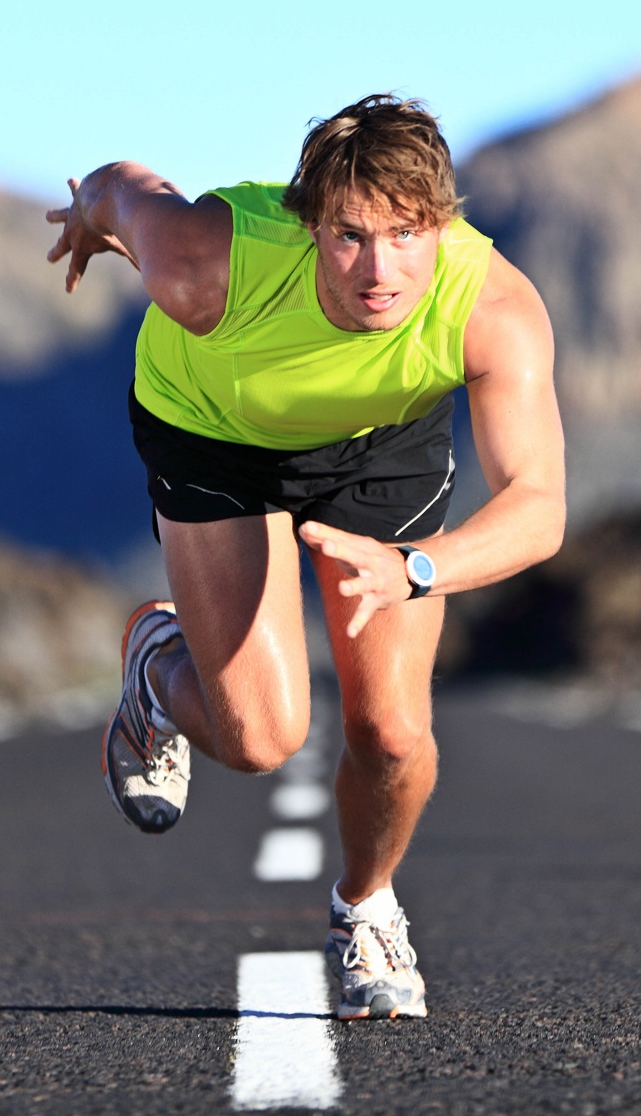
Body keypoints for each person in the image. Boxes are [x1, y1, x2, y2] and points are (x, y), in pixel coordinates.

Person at [46, 95, 565, 1021]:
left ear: (441, 227)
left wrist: (417, 569)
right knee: (259, 739)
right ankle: (160, 670)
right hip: (210, 431)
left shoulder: (491, 306)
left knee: (394, 733)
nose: (380, 270)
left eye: (406, 235)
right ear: (308, 224)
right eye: (351, 235)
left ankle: (366, 907)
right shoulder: (208, 263)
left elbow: (539, 507)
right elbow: (129, 195)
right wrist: (89, 215)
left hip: (383, 445)